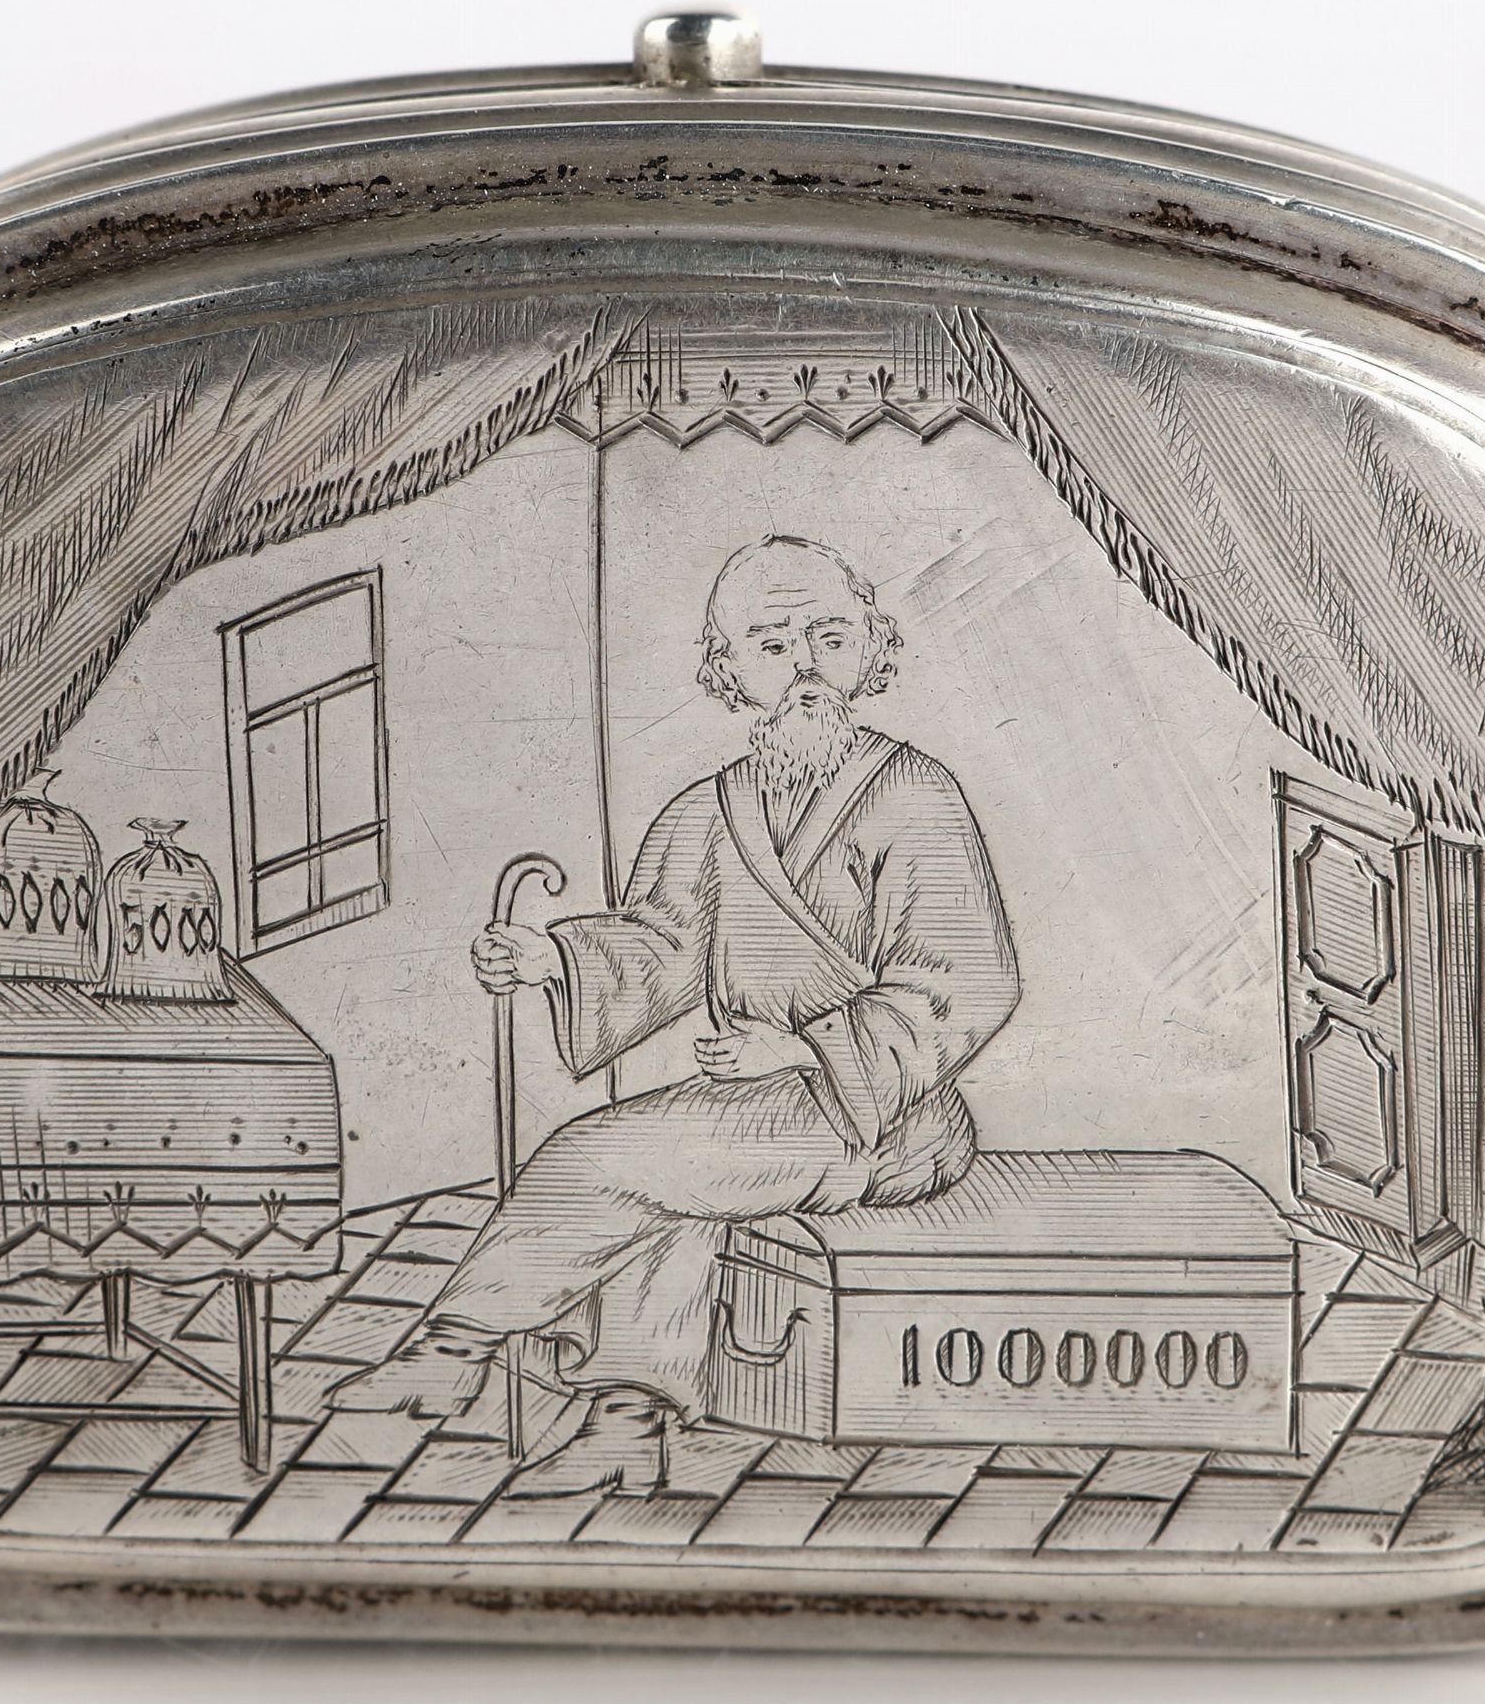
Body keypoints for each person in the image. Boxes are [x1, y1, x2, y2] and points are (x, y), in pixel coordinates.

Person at [333, 534, 1022, 1493]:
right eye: (773, 646)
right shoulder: (714, 809)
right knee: (670, 1187)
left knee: (596, 1156)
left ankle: (451, 1348)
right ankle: (629, 1421)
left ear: (870, 647)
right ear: (729, 669)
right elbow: (660, 941)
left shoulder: (917, 794)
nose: (805, 668)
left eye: (829, 639)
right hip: (762, 1108)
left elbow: (963, 982)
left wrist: (800, 1048)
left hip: (887, 1116)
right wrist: (553, 958)